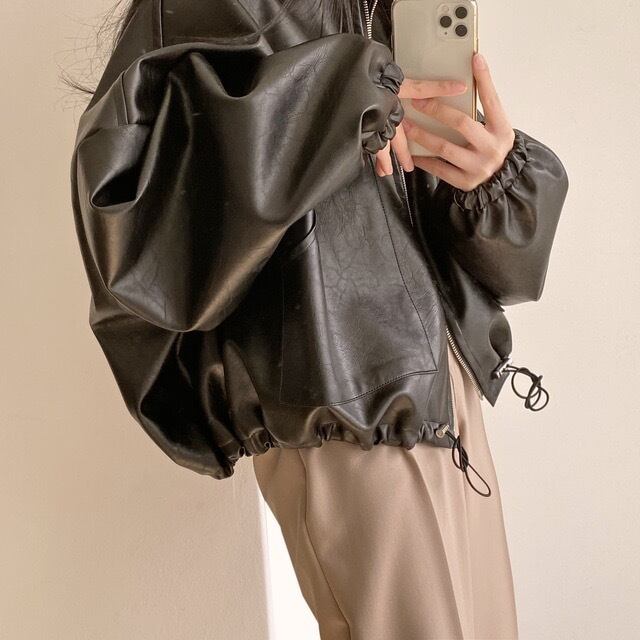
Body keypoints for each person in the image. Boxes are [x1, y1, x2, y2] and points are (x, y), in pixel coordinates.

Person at [67, 0, 568, 637]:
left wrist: (492, 174)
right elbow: (140, 223)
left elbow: (485, 260)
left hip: (449, 390)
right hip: (345, 397)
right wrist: (339, 94)